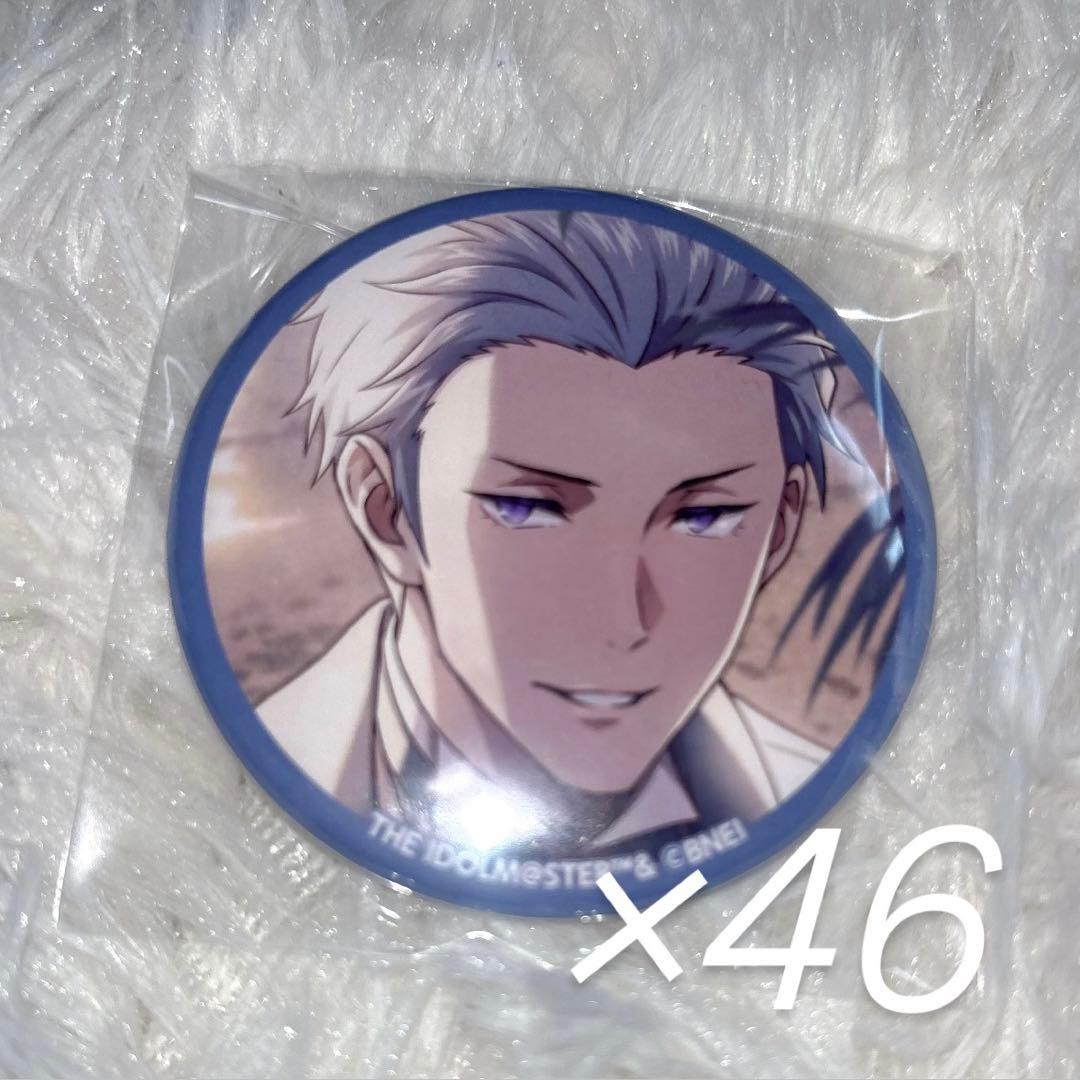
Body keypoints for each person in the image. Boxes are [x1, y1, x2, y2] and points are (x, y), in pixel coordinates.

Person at [258, 209, 858, 857]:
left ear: (780, 526)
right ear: (386, 510)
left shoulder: (842, 813)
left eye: (704, 518)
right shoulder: (230, 773)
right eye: (525, 509)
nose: (621, 622)